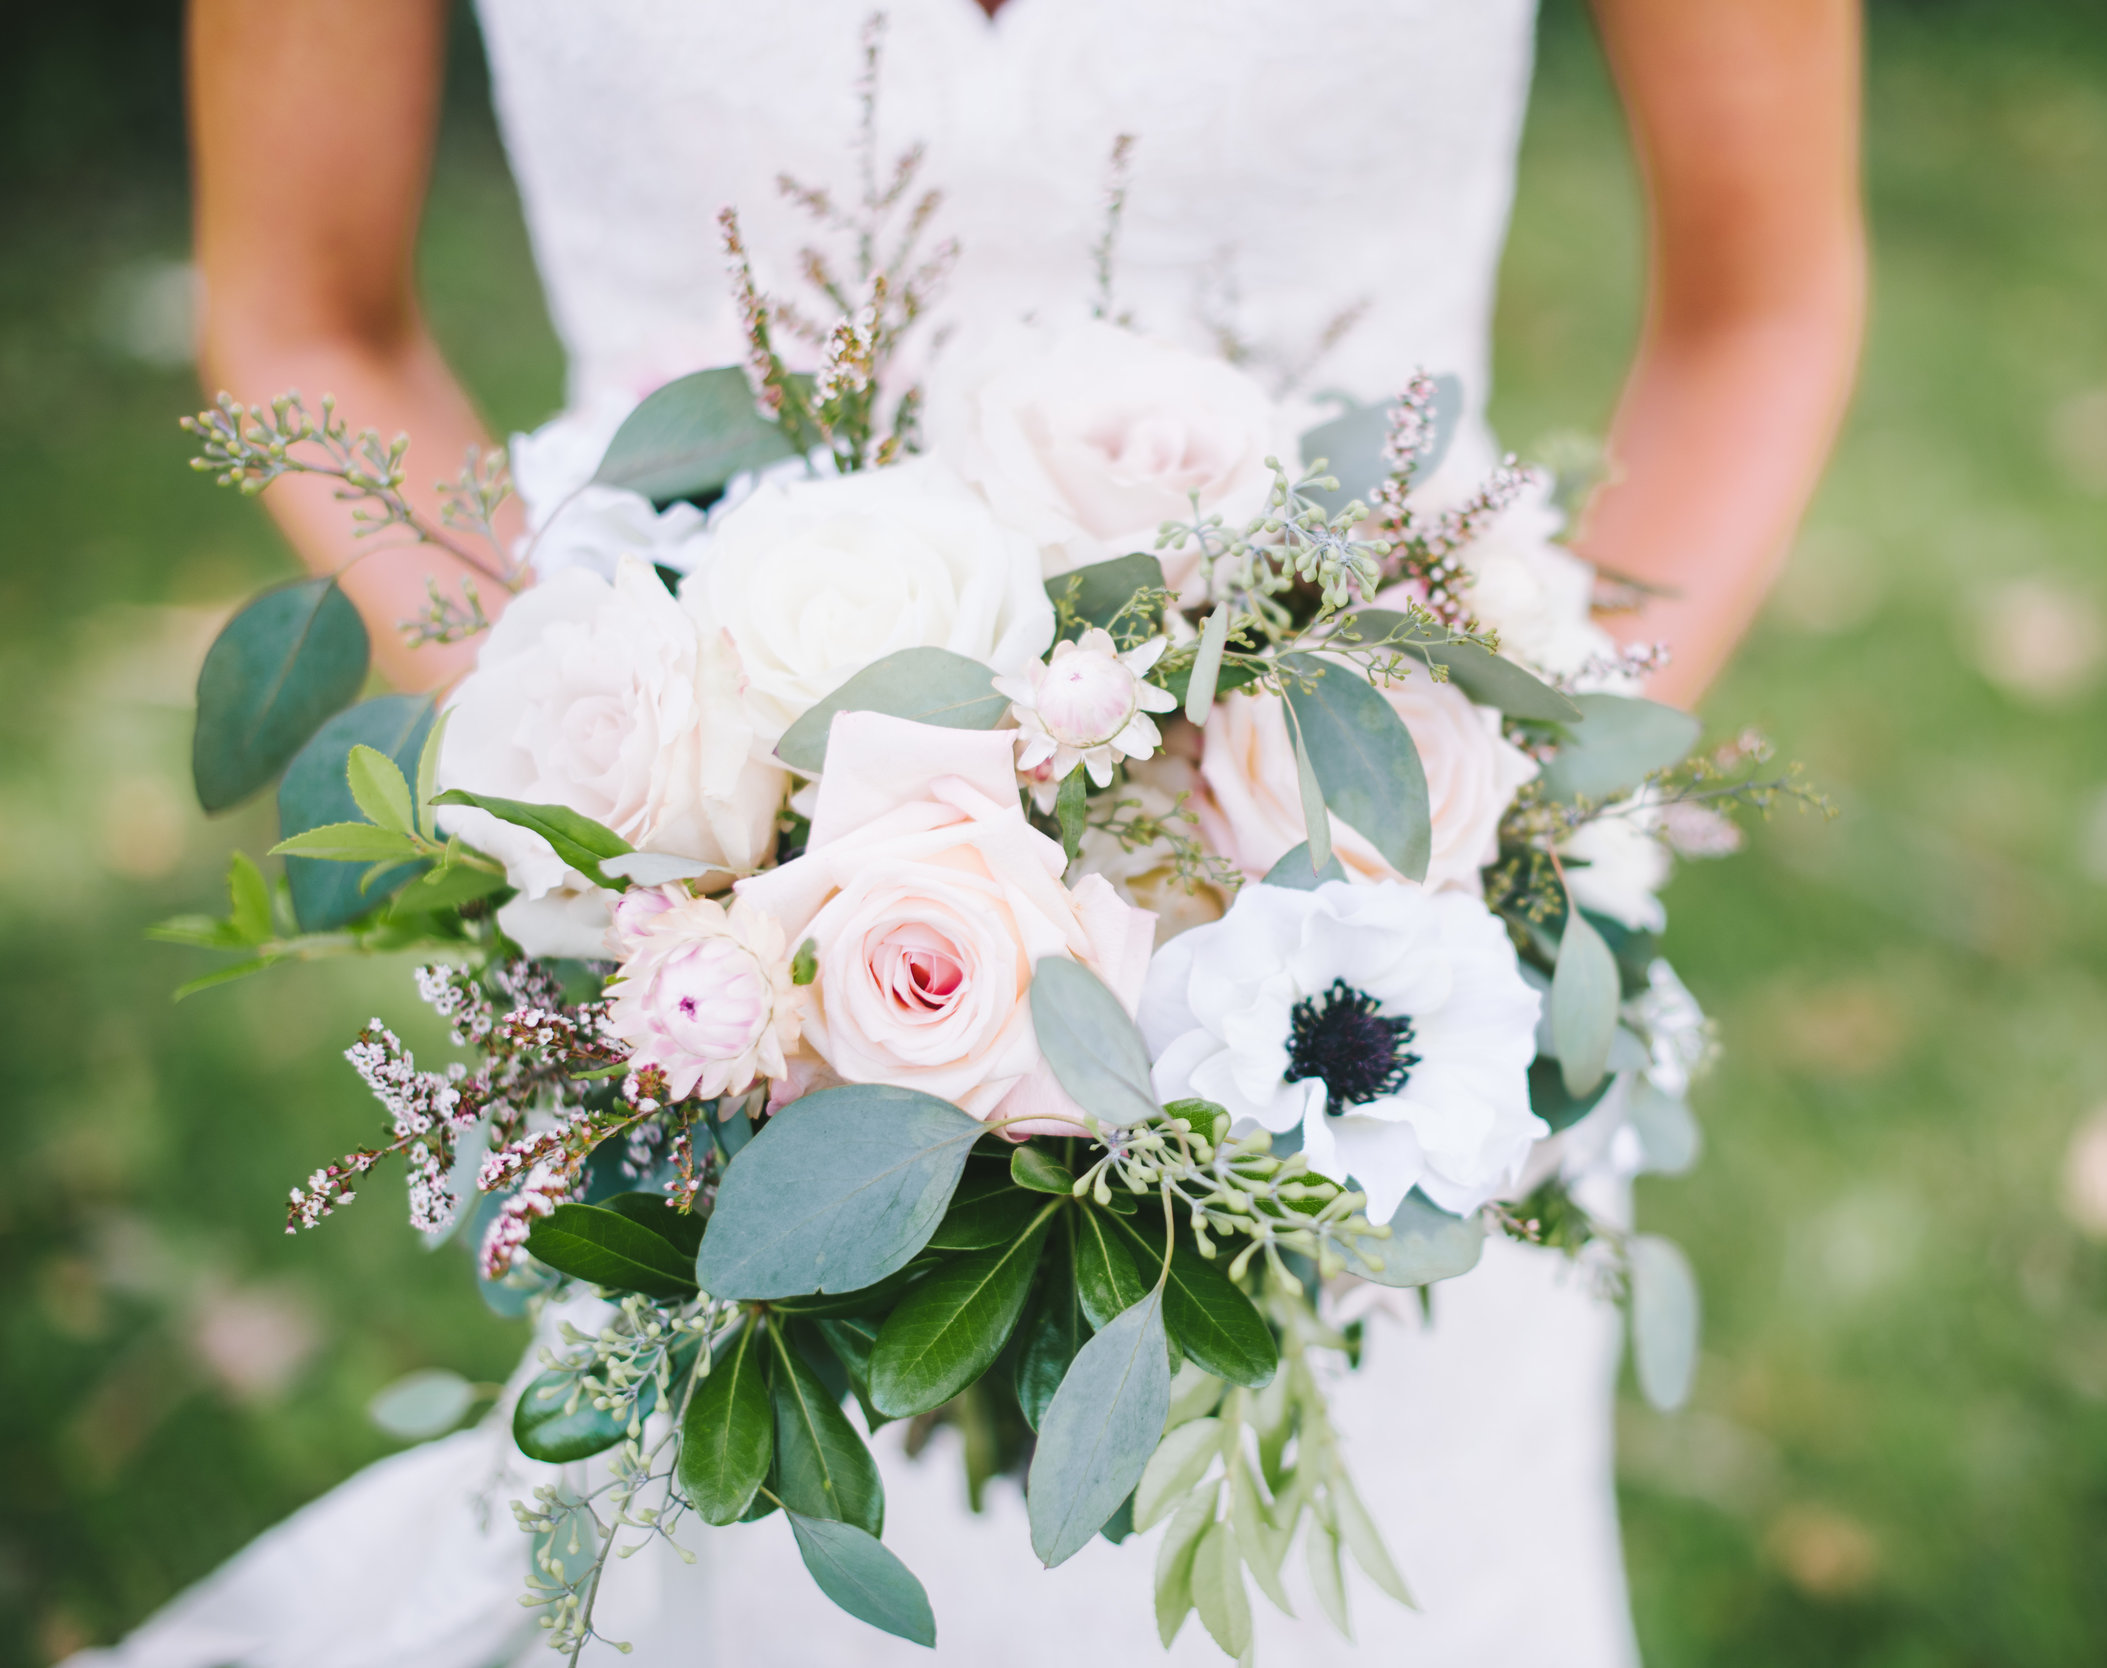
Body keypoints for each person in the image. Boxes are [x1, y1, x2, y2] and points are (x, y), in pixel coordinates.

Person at [124, 1, 1864, 1662]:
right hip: (729, 1048)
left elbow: (1760, 301)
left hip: (1396, 1015)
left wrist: (1488, 815)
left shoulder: (1435, 971)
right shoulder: (703, 950)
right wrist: (642, 798)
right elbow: (304, 317)